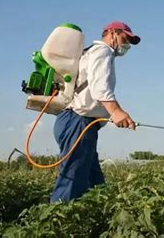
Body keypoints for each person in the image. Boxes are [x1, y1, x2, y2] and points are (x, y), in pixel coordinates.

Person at [50, 21, 141, 202]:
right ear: (112, 33)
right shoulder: (102, 51)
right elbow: (99, 87)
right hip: (77, 122)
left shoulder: (93, 53)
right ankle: (56, 221)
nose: (127, 44)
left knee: (95, 184)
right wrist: (116, 111)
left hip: (80, 124)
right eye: (125, 37)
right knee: (72, 182)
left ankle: (96, 220)